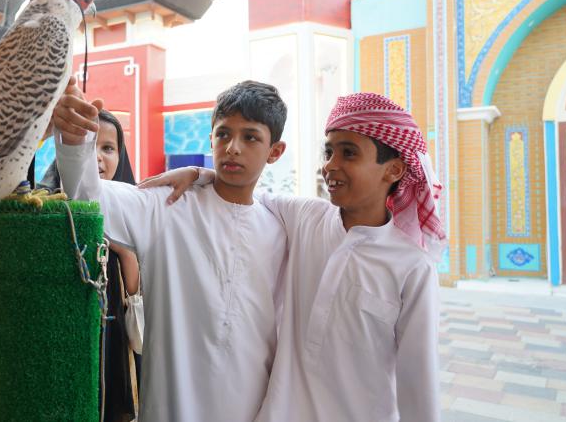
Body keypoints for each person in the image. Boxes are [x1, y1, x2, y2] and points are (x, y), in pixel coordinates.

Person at [143, 92, 445, 422]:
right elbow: (244, 187)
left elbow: (419, 385)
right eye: (328, 151)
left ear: (394, 170)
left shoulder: (412, 267)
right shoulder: (307, 218)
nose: (330, 166)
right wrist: (200, 173)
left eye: (349, 154)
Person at [52, 80, 288, 421]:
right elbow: (89, 197)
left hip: (252, 408)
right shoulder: (167, 206)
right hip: (172, 407)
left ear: (275, 151)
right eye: (223, 134)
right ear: (211, 140)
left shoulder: (282, 228)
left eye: (250, 137)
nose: (233, 147)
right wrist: (75, 142)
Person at [40, 109, 143, 422]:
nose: (98, 157)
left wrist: (126, 255)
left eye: (108, 148)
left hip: (114, 348)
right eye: (87, 145)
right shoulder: (44, 207)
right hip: (63, 346)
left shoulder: (134, 211)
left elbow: (138, 301)